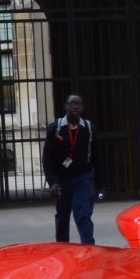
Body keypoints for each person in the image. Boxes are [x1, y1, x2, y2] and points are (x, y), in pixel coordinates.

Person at [42, 94, 96, 244]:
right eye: (72, 103)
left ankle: (88, 247)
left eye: (78, 104)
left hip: (82, 178)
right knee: (62, 216)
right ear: (65, 106)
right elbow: (47, 159)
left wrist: (99, 185)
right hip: (61, 179)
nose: (75, 106)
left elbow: (97, 157)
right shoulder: (55, 129)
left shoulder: (89, 129)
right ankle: (62, 248)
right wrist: (52, 182)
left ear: (83, 108)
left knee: (83, 213)